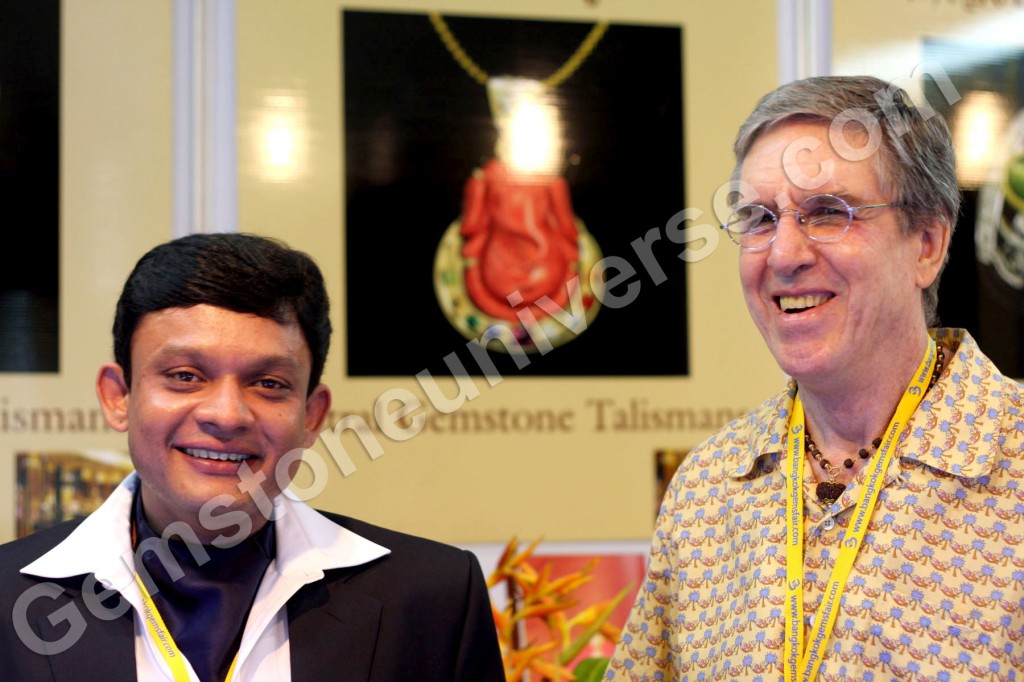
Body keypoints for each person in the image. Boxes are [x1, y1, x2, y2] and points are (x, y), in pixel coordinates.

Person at [608, 75, 1024, 680]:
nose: (783, 254)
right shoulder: (708, 489)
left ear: (928, 244)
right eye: (758, 218)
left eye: (828, 213)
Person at [0, 233, 506, 681]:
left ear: (312, 415)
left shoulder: (432, 596)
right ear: (118, 396)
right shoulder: (6, 601)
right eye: (184, 376)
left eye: (268, 383)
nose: (226, 414)